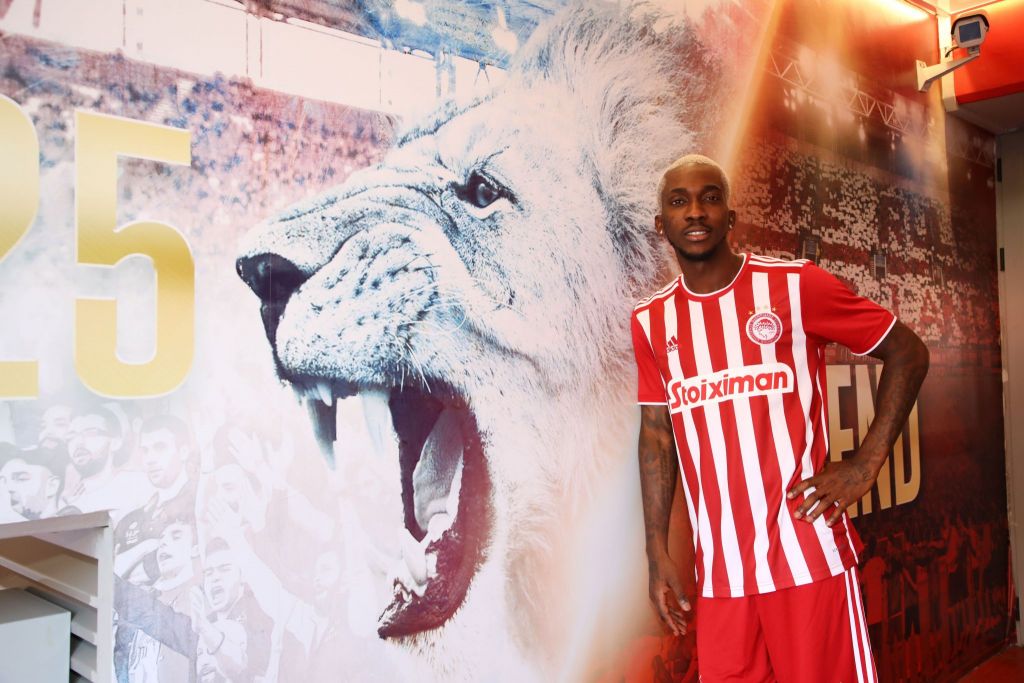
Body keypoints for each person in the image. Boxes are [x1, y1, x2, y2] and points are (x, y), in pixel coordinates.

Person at [632, 154, 929, 682]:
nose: (695, 211)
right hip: (722, 577)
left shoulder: (795, 286)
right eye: (679, 202)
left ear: (730, 217)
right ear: (661, 224)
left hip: (806, 559)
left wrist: (866, 464)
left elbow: (908, 351)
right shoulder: (651, 321)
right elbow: (657, 434)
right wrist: (657, 550)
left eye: (710, 198)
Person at [63, 405, 152, 521]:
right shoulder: (69, 501)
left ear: (116, 442)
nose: (78, 442)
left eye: (90, 433)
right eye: (71, 437)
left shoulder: (138, 484)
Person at [0, 444, 71, 519]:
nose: (9, 488)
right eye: (3, 482)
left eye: (21, 478)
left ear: (52, 485)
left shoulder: (72, 520)